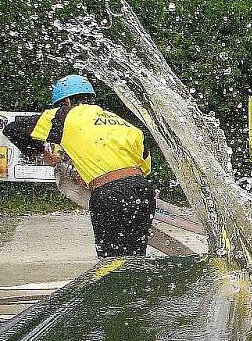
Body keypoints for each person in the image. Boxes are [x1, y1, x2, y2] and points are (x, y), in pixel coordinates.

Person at [2, 75, 155, 258]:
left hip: (110, 195)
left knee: (111, 263)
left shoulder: (66, 115)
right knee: (136, 258)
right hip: (143, 190)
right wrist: (90, 173)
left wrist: (40, 154)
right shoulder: (122, 122)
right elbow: (142, 167)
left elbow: (13, 128)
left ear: (66, 101)